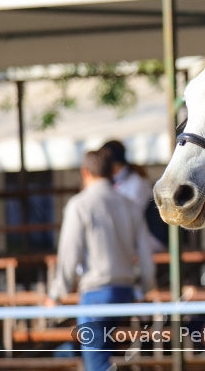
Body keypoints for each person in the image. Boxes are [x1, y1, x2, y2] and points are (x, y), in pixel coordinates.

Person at [47, 149, 155, 371]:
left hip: (96, 295)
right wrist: (145, 287)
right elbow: (145, 254)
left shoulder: (80, 204)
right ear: (111, 172)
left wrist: (57, 293)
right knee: (84, 352)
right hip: (125, 293)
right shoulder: (130, 205)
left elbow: (70, 253)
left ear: (84, 172)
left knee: (96, 362)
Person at [100, 139, 166, 253]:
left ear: (114, 163)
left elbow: (128, 218)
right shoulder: (116, 181)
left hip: (151, 238)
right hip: (132, 238)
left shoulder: (136, 183)